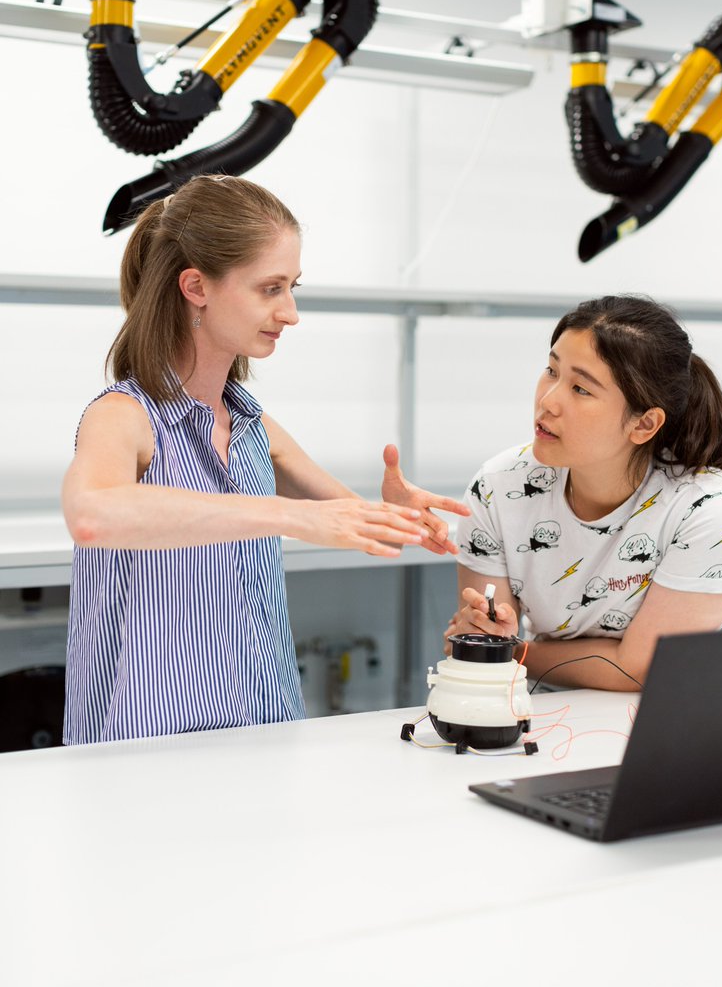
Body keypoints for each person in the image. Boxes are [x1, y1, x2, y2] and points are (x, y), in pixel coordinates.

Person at [62, 174, 469, 744]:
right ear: (197, 286)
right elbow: (93, 514)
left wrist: (394, 515)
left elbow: (351, 523)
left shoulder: (254, 426)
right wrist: (285, 514)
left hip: (265, 731)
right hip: (146, 750)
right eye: (270, 288)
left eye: (292, 287)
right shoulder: (123, 415)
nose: (291, 312)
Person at [448, 295, 722, 691]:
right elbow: (486, 641)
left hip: (664, 723)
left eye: (581, 389)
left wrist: (515, 651)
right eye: (551, 370)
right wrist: (490, 638)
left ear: (644, 424)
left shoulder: (707, 509)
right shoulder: (499, 485)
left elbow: (640, 669)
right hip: (539, 715)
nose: (548, 400)